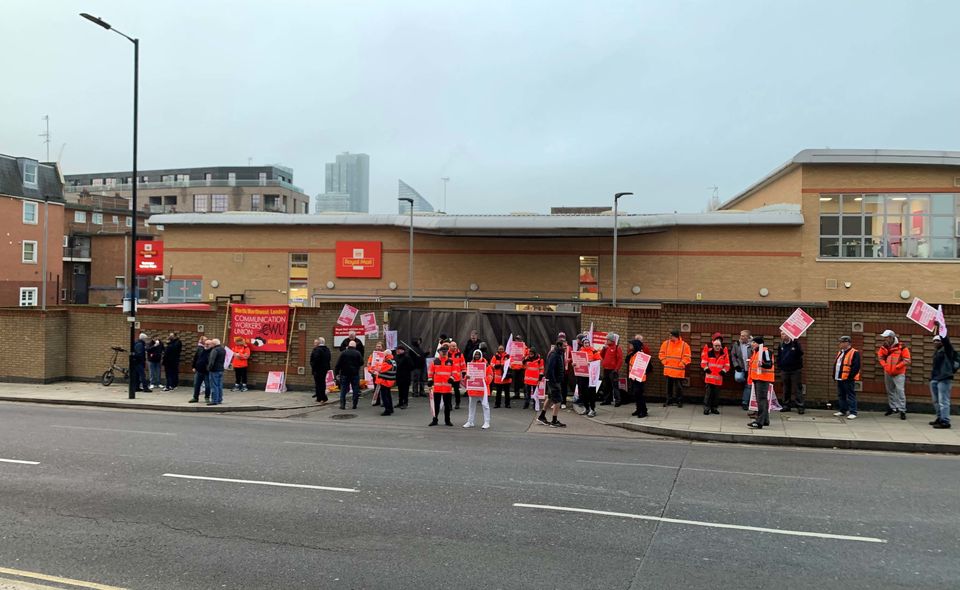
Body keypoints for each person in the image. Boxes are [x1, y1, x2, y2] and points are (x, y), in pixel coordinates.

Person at [877, 329, 911, 420]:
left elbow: (907, 360)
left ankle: (902, 410)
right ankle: (893, 408)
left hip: (899, 373)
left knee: (900, 391)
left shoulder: (902, 347)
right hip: (888, 372)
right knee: (890, 390)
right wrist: (885, 366)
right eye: (884, 337)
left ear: (892, 337)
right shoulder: (884, 347)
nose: (885, 339)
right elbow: (880, 357)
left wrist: (897, 366)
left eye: (886, 337)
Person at [929, 321, 955, 429]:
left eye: (938, 341)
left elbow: (946, 340)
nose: (935, 342)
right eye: (934, 341)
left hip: (944, 378)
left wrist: (940, 327)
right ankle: (939, 418)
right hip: (935, 378)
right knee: (936, 401)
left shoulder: (947, 350)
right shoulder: (937, 352)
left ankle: (945, 421)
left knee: (943, 400)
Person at [538, 339, 567, 427]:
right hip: (554, 381)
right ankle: (554, 421)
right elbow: (550, 369)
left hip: (554, 380)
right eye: (564, 346)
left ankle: (542, 416)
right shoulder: (554, 354)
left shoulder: (559, 353)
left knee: (550, 397)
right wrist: (554, 381)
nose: (566, 348)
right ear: (559, 346)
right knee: (558, 400)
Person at [747, 336, 774, 429]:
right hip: (758, 379)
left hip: (762, 379)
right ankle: (765, 420)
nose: (752, 344)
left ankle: (759, 421)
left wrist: (762, 364)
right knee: (763, 400)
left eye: (754, 342)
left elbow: (769, 364)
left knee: (761, 400)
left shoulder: (764, 351)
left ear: (759, 343)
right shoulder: (757, 352)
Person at [659, 329, 691, 407]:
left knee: (679, 388)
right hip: (669, 370)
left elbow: (687, 357)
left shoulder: (684, 345)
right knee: (669, 387)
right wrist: (664, 361)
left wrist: (681, 364)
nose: (670, 337)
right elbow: (661, 354)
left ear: (675, 336)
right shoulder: (665, 344)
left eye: (671, 335)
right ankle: (669, 400)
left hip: (678, 371)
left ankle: (679, 401)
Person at [832, 336, 861, 420]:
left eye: (841, 342)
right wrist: (834, 375)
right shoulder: (840, 352)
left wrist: (850, 377)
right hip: (840, 377)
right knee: (841, 395)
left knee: (850, 395)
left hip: (848, 378)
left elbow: (856, 367)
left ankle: (853, 412)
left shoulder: (854, 352)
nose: (839, 344)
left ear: (847, 343)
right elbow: (838, 364)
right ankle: (842, 410)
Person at [463, 349, 493, 429]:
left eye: (478, 355)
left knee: (485, 405)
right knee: (471, 406)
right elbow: (467, 376)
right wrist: (466, 377)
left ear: (481, 355)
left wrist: (485, 380)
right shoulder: (471, 364)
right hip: (473, 389)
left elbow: (490, 375)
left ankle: (487, 422)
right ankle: (470, 421)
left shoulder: (486, 365)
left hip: (482, 388)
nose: (477, 356)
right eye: (475, 355)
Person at [777, 332, 805, 413]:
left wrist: (795, 343)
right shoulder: (781, 345)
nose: (783, 335)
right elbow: (779, 356)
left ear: (789, 335)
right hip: (785, 370)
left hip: (795, 370)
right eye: (782, 334)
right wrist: (780, 366)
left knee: (797, 388)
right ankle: (786, 405)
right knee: (786, 388)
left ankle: (800, 406)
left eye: (785, 334)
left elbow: (800, 353)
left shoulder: (796, 343)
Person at [427, 345, 455, 427]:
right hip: (437, 387)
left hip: (447, 388)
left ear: (447, 352)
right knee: (436, 405)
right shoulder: (435, 361)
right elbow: (430, 372)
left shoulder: (451, 361)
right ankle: (434, 420)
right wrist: (430, 380)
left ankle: (447, 420)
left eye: (445, 351)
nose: (444, 352)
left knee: (447, 405)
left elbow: (455, 371)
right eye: (442, 351)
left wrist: (452, 378)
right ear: (439, 352)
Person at [701, 337, 730, 415]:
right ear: (713, 346)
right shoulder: (709, 352)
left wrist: (724, 371)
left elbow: (727, 364)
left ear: (720, 346)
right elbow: (703, 362)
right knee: (708, 395)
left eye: (718, 346)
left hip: (718, 378)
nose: (717, 347)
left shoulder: (724, 354)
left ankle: (714, 408)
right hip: (709, 378)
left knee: (716, 395)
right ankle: (706, 408)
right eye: (715, 346)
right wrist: (706, 368)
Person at [625, 336, 652, 418]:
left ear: (635, 346)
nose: (630, 346)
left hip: (639, 379)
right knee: (636, 394)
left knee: (639, 395)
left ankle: (643, 411)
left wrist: (640, 373)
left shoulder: (641, 355)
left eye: (631, 345)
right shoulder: (633, 354)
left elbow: (648, 367)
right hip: (633, 377)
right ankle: (638, 409)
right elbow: (627, 361)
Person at [576, 336, 602, 417]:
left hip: (591, 376)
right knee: (583, 392)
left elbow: (598, 361)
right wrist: (574, 364)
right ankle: (586, 408)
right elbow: (576, 361)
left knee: (591, 392)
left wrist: (591, 363)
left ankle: (592, 409)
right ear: (582, 344)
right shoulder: (580, 351)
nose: (587, 344)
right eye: (585, 343)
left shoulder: (594, 351)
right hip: (582, 375)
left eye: (588, 343)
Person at [334, 340, 364, 410]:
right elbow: (361, 362)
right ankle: (354, 404)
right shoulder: (357, 353)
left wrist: (337, 373)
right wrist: (356, 366)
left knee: (343, 390)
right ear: (355, 346)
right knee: (355, 389)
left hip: (344, 374)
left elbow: (338, 364)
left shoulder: (343, 353)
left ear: (348, 346)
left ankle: (342, 405)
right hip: (355, 374)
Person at [729, 330, 753, 410]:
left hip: (750, 368)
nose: (741, 337)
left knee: (748, 386)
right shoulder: (737, 344)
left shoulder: (752, 344)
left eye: (743, 336)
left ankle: (745, 402)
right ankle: (745, 382)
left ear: (748, 337)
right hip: (741, 367)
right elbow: (733, 356)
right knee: (738, 378)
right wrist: (736, 365)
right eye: (741, 335)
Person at [599, 334, 624, 406]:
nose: (606, 341)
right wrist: (603, 348)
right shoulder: (606, 348)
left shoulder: (617, 348)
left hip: (613, 370)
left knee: (615, 386)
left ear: (611, 340)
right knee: (606, 385)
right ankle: (607, 400)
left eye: (607, 340)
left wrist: (616, 369)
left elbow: (620, 360)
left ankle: (618, 401)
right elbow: (601, 355)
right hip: (606, 369)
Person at [373, 350, 397, 416]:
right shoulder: (393, 361)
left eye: (384, 354)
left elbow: (380, 369)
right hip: (389, 381)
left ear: (386, 355)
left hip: (385, 381)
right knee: (388, 395)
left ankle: (387, 410)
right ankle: (391, 408)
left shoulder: (387, 362)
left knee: (384, 396)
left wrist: (376, 363)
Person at [309, 337, 331, 404]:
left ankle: (322, 398)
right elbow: (329, 359)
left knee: (319, 384)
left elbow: (315, 360)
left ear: (319, 342)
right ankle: (319, 397)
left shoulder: (317, 350)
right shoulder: (327, 349)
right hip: (325, 369)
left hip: (318, 369)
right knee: (322, 383)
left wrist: (312, 365)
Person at [189, 336, 210, 403]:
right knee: (197, 384)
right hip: (199, 370)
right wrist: (193, 367)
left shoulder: (211, 351)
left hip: (206, 372)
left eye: (208, 344)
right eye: (205, 343)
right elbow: (195, 358)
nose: (206, 345)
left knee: (207, 385)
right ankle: (195, 397)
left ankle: (207, 397)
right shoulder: (200, 349)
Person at [206, 338, 226, 406]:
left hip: (214, 370)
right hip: (220, 369)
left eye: (211, 343)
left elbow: (211, 361)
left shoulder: (215, 350)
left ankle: (214, 400)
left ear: (214, 344)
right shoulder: (223, 349)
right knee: (219, 385)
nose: (210, 344)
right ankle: (219, 399)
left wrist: (209, 368)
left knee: (214, 385)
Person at [448, 341, 466, 409]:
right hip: (449, 376)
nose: (454, 347)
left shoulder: (460, 354)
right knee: (448, 391)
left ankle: (457, 403)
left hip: (456, 376)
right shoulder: (447, 354)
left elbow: (463, 364)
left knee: (456, 391)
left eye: (455, 346)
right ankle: (449, 405)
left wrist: (464, 372)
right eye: (453, 346)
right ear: (450, 347)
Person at [394, 344, 413, 409]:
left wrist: (405, 370)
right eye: (397, 349)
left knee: (405, 391)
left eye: (399, 350)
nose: (397, 351)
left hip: (405, 377)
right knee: (400, 390)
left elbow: (411, 366)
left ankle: (405, 403)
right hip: (399, 376)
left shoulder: (407, 357)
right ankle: (400, 402)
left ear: (403, 350)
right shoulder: (396, 357)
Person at [509, 335, 528, 400]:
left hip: (522, 367)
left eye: (518, 339)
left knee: (523, 381)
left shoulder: (524, 347)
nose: (517, 340)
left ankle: (526, 394)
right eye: (516, 339)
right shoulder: (513, 347)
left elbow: (527, 355)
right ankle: (516, 394)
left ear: (521, 340)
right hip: (514, 367)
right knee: (516, 382)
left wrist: (524, 358)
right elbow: (510, 355)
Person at [367, 342, 385, 406]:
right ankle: (377, 401)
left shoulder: (385, 355)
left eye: (379, 346)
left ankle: (383, 401)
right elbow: (369, 363)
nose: (378, 347)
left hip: (382, 374)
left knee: (383, 389)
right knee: (376, 388)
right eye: (377, 346)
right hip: (375, 374)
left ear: (382, 347)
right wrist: (370, 371)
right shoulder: (372, 355)